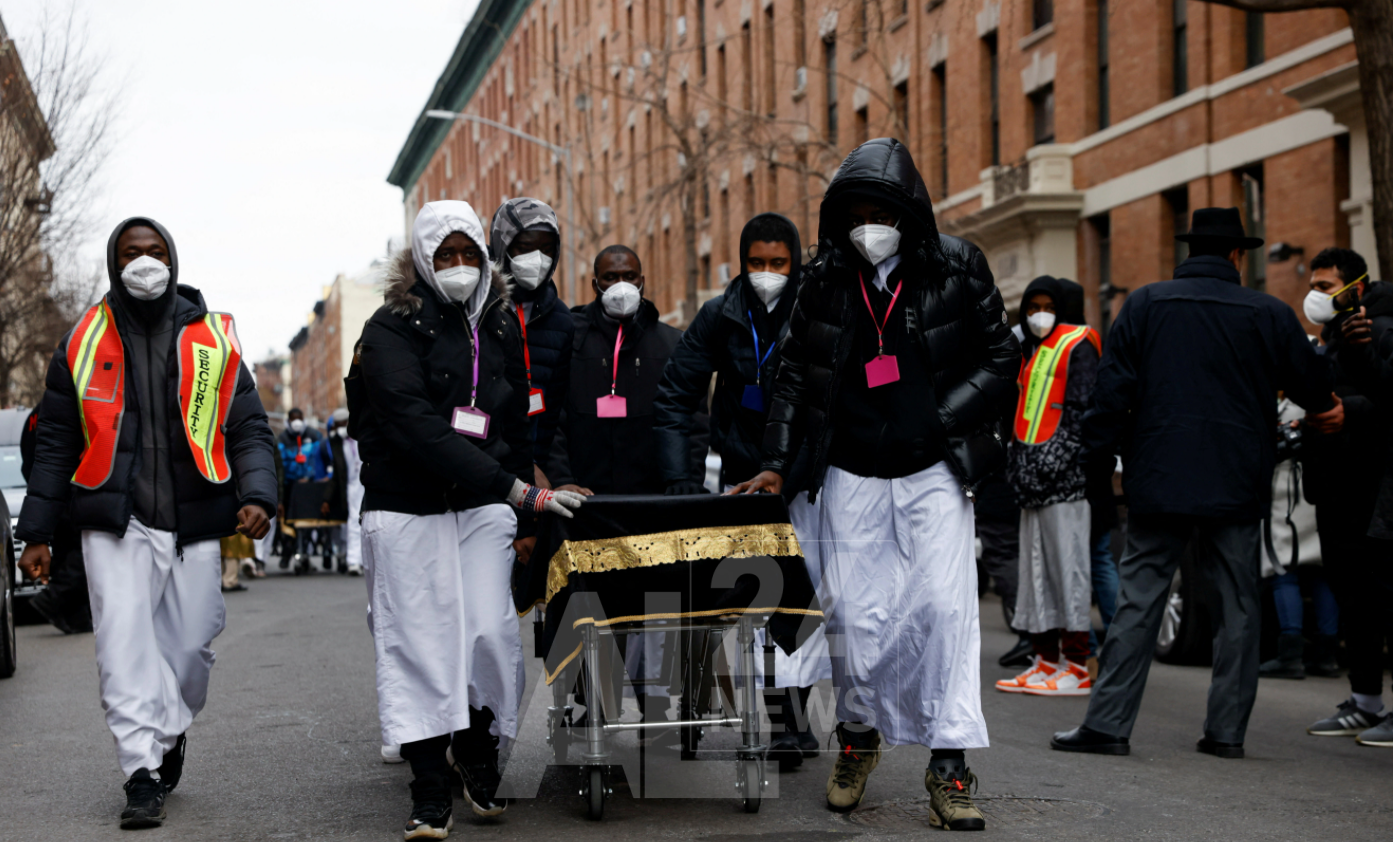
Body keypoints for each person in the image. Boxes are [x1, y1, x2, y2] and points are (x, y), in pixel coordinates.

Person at [732, 138, 1020, 829]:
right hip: (849, 471)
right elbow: (794, 376)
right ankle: (857, 737)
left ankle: (948, 767)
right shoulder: (825, 277)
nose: (869, 224)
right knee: (856, 623)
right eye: (855, 212)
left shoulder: (956, 264)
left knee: (943, 615)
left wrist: (941, 416)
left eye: (880, 210)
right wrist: (776, 458)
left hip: (932, 471)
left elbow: (1000, 355)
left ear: (907, 210)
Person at [1051, 207, 1341, 760]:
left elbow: (1111, 397)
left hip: (1159, 476)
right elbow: (1313, 384)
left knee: (1139, 601)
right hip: (1236, 478)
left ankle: (1108, 726)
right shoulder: (1268, 312)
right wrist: (1327, 407)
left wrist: (1096, 468)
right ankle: (1225, 732)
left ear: (1190, 252)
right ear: (1239, 255)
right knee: (1238, 605)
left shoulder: (1145, 304)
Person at [15, 217, 277, 829]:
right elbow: (54, 442)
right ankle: (140, 771)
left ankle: (171, 727)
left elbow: (247, 428)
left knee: (192, 644)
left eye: (155, 250)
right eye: (132, 252)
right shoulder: (83, 341)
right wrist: (38, 534)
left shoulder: (211, 338)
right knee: (122, 646)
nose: (144, 261)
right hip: (114, 522)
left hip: (193, 523)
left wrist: (258, 493)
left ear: (173, 259)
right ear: (115, 263)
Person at [348, 199, 583, 838]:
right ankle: (429, 788)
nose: (458, 266)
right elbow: (413, 425)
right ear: (423, 259)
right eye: (444, 255)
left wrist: (526, 508)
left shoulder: (502, 325)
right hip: (408, 505)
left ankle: (477, 750)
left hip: (483, 505)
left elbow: (515, 424)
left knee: (488, 632)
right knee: (421, 640)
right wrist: (514, 489)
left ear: (485, 256)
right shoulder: (388, 328)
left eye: (468, 254)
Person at [654, 212, 828, 770]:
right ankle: (784, 723)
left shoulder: (817, 312)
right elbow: (675, 395)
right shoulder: (719, 316)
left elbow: (825, 409)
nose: (767, 273)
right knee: (762, 596)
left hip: (807, 479)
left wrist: (791, 473)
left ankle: (805, 712)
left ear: (795, 262)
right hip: (742, 480)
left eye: (778, 263)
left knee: (811, 596)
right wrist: (681, 475)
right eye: (757, 263)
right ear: (741, 262)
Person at [1297, 247, 1393, 746]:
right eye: (1312, 284)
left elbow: (1385, 397)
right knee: (1353, 598)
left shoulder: (1379, 328)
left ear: (1356, 286)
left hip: (1371, 485)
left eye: (1326, 285)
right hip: (1335, 484)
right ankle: (1365, 701)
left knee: (1382, 596)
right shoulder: (1333, 334)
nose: (1315, 295)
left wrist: (1347, 412)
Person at [996, 276, 1100, 698]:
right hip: (1032, 482)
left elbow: (1079, 412)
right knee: (1035, 576)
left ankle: (1076, 665)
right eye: (1032, 306)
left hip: (1063, 484)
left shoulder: (1077, 343)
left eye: (1048, 306)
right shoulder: (1035, 350)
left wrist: (1054, 464)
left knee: (1067, 573)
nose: (1039, 314)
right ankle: (1045, 660)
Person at [489, 197, 574, 498]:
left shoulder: (562, 320)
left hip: (538, 479)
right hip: (488, 472)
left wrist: (555, 473)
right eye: (525, 248)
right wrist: (522, 468)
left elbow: (555, 413)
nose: (537, 259)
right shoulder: (481, 312)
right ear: (501, 247)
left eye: (547, 249)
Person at [1258, 397, 1332, 680]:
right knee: (1320, 570)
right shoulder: (1325, 386)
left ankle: (1290, 655)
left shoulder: (1295, 401)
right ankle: (1325, 655)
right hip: (1318, 487)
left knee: (1283, 569)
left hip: (1288, 489)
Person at [19, 404, 92, 634]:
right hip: (73, 488)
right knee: (83, 551)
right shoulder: (71, 407)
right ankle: (53, 597)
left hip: (50, 494)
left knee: (64, 552)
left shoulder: (33, 416)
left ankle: (74, 618)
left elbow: (27, 457)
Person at [320, 407, 364, 575]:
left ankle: (366, 561)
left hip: (368, 483)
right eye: (337, 425)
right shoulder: (336, 442)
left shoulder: (363, 435)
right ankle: (353, 562)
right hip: (352, 486)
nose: (340, 428)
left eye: (342, 424)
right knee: (354, 522)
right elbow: (338, 475)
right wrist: (326, 499)